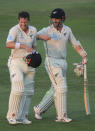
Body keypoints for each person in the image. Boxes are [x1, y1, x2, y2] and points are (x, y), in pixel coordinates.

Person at [33, 8, 88, 122]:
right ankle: (62, 116)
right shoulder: (47, 30)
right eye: (53, 18)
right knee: (62, 87)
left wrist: (83, 55)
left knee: (56, 89)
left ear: (63, 18)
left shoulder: (67, 30)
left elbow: (75, 44)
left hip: (63, 62)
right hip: (51, 62)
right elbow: (34, 35)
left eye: (57, 18)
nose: (54, 20)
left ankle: (39, 109)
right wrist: (40, 36)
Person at [6, 11, 37, 125]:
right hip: (16, 61)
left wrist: (34, 53)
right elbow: (8, 44)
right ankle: (11, 116)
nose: (23, 24)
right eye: (21, 22)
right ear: (19, 20)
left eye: (25, 22)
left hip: (29, 63)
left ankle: (22, 116)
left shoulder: (33, 30)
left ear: (28, 20)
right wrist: (23, 46)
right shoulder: (14, 30)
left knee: (28, 91)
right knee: (18, 87)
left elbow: (33, 46)